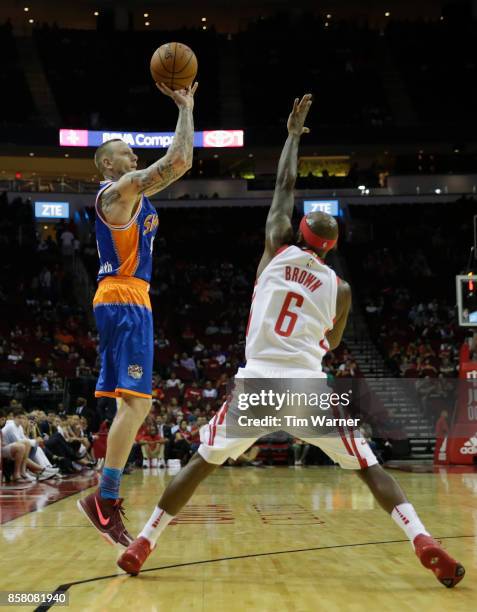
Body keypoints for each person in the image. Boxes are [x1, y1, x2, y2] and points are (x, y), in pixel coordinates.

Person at [118, 95, 465, 588]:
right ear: (332, 248)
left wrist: (293, 136)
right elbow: (336, 339)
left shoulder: (276, 248)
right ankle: (422, 539)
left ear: (298, 232)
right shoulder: (340, 289)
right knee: (366, 465)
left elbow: (284, 184)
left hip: (258, 381)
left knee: (201, 463)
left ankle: (144, 542)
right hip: (306, 385)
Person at [77, 81, 198, 547]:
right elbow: (179, 161)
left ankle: (105, 497)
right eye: (127, 153)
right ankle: (104, 499)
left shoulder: (131, 196)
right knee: (138, 403)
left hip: (130, 298)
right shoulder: (117, 192)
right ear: (108, 163)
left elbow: (176, 165)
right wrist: (185, 108)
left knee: (134, 403)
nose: (133, 158)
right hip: (124, 297)